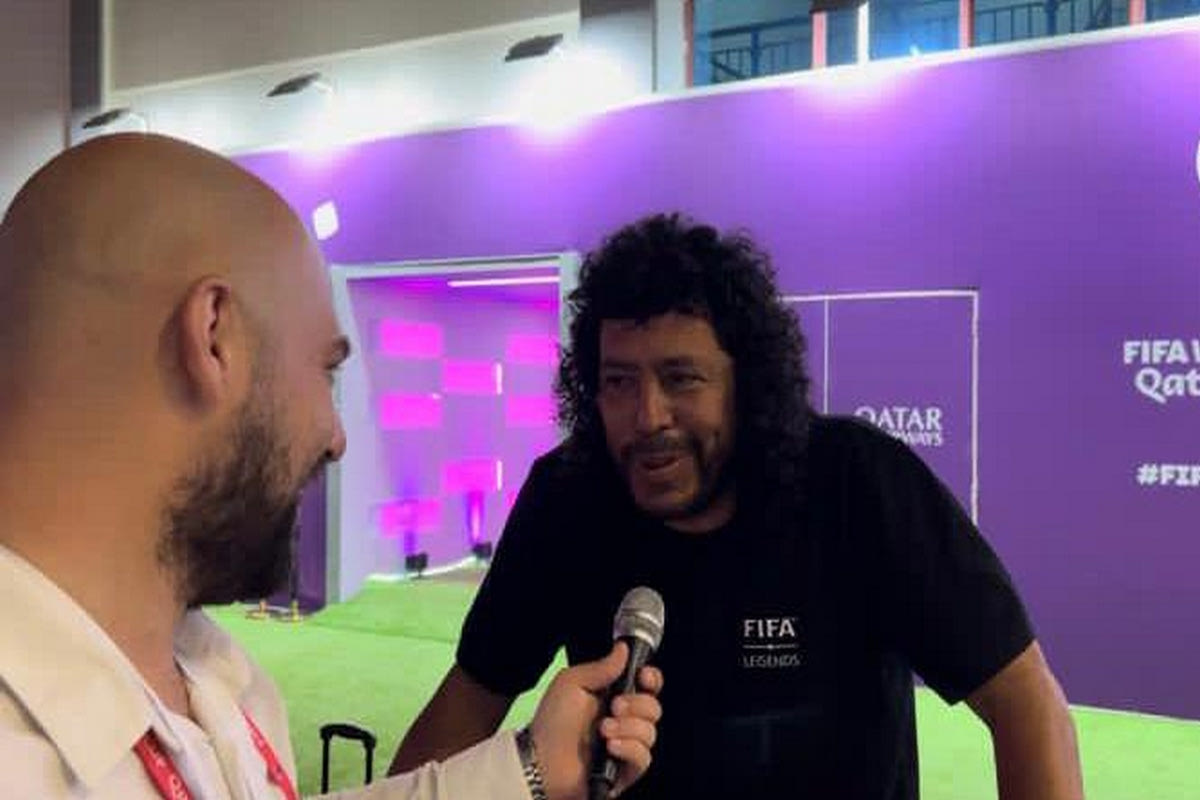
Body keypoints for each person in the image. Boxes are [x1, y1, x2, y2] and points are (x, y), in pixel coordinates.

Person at [0, 134, 662, 800]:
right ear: (213, 336)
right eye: (326, 370)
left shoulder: (222, 681)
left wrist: (527, 771)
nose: (336, 436)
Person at [391, 214, 1085, 799]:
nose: (647, 416)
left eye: (681, 378)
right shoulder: (567, 499)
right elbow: (470, 701)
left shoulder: (858, 484)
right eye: (619, 382)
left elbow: (1024, 700)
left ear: (746, 384)